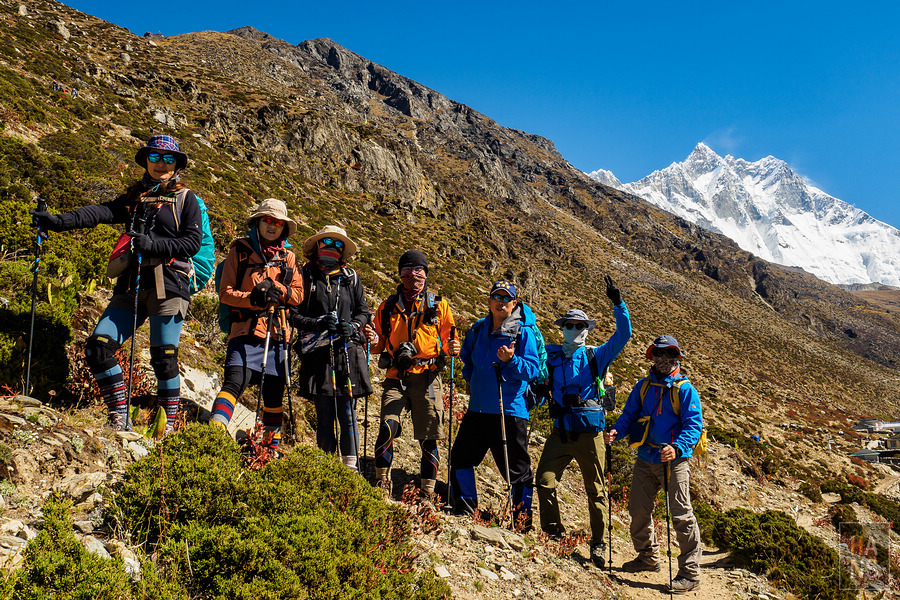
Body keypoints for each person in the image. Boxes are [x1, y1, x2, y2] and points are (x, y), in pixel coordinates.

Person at [30, 135, 202, 432]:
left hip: (169, 284)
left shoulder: (186, 199)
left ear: (177, 165)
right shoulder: (134, 199)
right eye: (155, 157)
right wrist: (58, 221)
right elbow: (99, 212)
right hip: (131, 284)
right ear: (146, 161)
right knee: (98, 347)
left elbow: (192, 242)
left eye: (169, 158)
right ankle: (119, 418)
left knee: (164, 358)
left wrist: (153, 245)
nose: (161, 163)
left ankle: (166, 429)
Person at [535, 276, 632, 567]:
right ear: (562, 328)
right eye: (569, 325)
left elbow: (623, 335)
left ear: (587, 330)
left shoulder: (596, 356)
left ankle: (598, 544)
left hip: (591, 435)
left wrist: (618, 303)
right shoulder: (550, 355)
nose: (574, 330)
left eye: (580, 326)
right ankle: (553, 532)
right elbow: (530, 361)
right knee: (544, 481)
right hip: (560, 432)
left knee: (597, 491)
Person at [604, 335, 703, 594]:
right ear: (653, 356)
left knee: (681, 514)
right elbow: (629, 415)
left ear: (677, 358)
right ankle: (647, 557)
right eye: (659, 353)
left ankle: (690, 574)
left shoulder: (685, 390)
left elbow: (694, 426)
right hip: (646, 457)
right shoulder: (643, 386)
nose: (663, 359)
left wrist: (677, 447)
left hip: (674, 460)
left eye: (669, 354)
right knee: (638, 509)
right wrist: (616, 431)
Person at [363, 250, 460, 497]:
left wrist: (453, 347)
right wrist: (371, 340)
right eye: (407, 271)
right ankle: (381, 483)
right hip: (396, 375)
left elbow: (449, 339)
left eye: (418, 271)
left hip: (428, 376)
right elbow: (378, 345)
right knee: (387, 426)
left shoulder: (439, 305)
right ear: (400, 274)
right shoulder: (388, 306)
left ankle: (427, 492)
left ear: (425, 274)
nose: (412, 276)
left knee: (429, 437)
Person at [210, 198, 303, 450]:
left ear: (284, 227)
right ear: (258, 222)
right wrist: (253, 298)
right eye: (267, 220)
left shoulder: (289, 258)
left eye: (278, 222)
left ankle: (269, 450)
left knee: (273, 395)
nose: (272, 226)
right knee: (234, 382)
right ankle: (213, 435)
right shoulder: (239, 252)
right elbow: (225, 293)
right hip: (245, 330)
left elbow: (298, 295)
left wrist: (278, 290)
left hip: (277, 334)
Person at [450, 280, 540, 530]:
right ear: (489, 301)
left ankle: (521, 524)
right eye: (496, 297)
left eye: (506, 298)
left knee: (517, 471)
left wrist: (511, 361)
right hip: (478, 409)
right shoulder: (479, 327)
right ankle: (466, 510)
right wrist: (470, 379)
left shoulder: (523, 332)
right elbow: (467, 357)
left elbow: (532, 369)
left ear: (514, 303)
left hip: (508, 410)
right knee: (461, 458)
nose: (500, 303)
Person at [290, 225, 372, 472]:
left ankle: (350, 471)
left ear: (343, 250)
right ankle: (327, 471)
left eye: (338, 244)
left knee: (347, 414)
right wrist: (316, 323)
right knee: (324, 415)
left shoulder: (351, 278)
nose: (331, 247)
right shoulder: (304, 275)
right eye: (326, 242)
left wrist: (353, 326)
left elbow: (363, 312)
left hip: (347, 352)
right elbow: (293, 314)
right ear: (317, 246)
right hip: (317, 355)